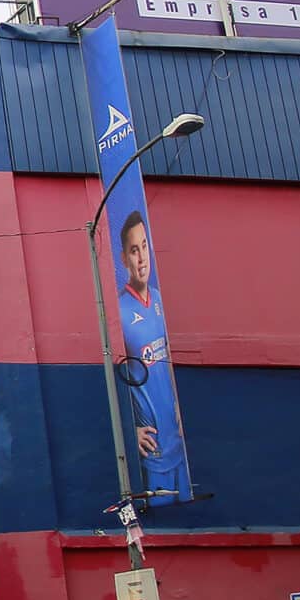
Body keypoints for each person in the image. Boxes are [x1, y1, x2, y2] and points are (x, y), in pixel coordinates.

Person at [115, 210, 193, 501]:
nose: (142, 257)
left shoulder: (159, 299)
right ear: (124, 259)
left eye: (145, 246)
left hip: (178, 443)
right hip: (154, 451)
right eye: (134, 250)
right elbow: (113, 378)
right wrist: (129, 429)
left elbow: (168, 360)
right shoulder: (119, 312)